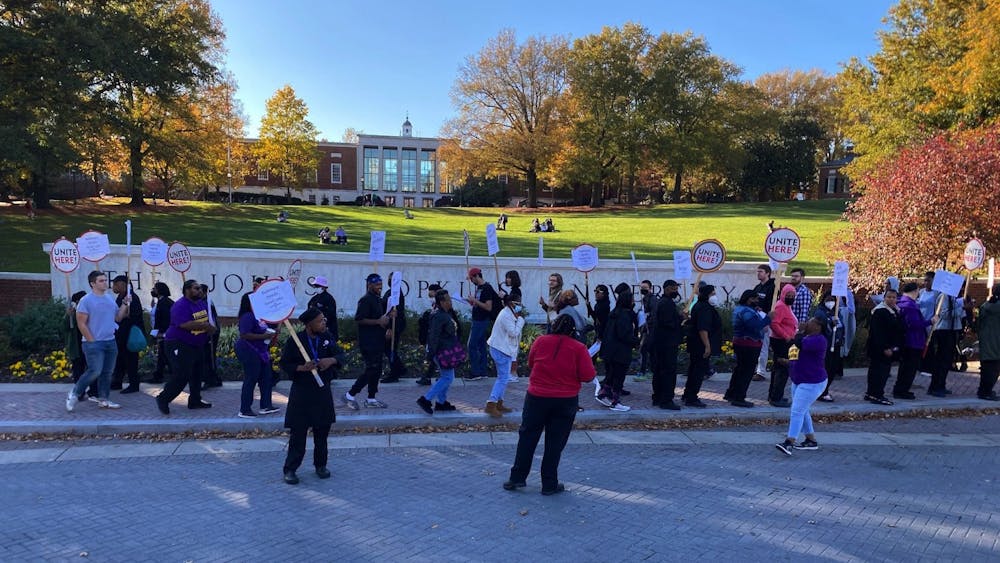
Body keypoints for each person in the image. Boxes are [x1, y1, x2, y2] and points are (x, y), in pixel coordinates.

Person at [503, 314, 596, 496]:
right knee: (555, 443)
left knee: (527, 437)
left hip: (537, 396)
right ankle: (549, 483)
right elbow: (588, 375)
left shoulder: (540, 341)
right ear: (573, 331)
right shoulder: (579, 348)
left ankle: (517, 477)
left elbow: (531, 363)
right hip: (565, 399)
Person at [279, 307, 345, 485]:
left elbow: (341, 355)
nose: (324, 322)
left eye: (324, 319)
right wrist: (301, 367)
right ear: (309, 325)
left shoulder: (327, 338)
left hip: (322, 391)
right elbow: (284, 363)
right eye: (320, 321)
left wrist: (330, 360)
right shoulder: (296, 340)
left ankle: (320, 465)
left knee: (322, 431)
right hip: (302, 392)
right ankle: (291, 469)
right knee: (298, 433)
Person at [66, 271, 131, 412]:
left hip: (110, 341)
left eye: (105, 280)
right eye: (101, 281)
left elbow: (118, 318)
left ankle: (104, 399)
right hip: (93, 343)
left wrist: (125, 304)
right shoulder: (86, 300)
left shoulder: (108, 299)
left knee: (107, 373)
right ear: (92, 283)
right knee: (94, 371)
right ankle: (74, 394)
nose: (105, 283)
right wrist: (91, 341)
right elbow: (81, 323)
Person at [155, 279, 215, 414]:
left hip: (197, 344)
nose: (200, 291)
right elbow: (183, 324)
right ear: (187, 290)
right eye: (196, 288)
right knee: (182, 374)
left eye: (200, 288)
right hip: (178, 343)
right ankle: (163, 398)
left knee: (197, 374)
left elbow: (206, 321)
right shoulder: (180, 305)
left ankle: (195, 400)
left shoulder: (201, 304)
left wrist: (210, 328)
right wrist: (205, 326)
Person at [775, 316, 828, 456]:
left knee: (797, 412)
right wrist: (788, 362)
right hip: (799, 380)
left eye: (811, 322)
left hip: (812, 382)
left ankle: (789, 442)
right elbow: (798, 353)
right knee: (802, 411)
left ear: (818, 327)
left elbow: (798, 343)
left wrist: (800, 330)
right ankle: (811, 440)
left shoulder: (819, 340)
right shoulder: (806, 338)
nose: (807, 323)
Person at [345, 273, 392, 409]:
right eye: (377, 285)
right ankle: (351, 394)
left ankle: (371, 398)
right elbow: (359, 319)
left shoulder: (377, 299)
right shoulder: (365, 300)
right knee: (371, 369)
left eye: (381, 285)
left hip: (377, 340)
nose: (380, 287)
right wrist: (378, 321)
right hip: (368, 342)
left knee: (377, 370)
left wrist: (389, 317)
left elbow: (381, 318)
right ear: (369, 285)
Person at [725, 289, 772, 408]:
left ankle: (731, 393)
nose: (757, 301)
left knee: (739, 369)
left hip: (741, 343)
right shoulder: (746, 311)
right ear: (749, 299)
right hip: (748, 344)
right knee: (746, 372)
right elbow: (755, 327)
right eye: (755, 299)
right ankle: (739, 397)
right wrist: (768, 318)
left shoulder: (742, 309)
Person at [235, 294, 279, 418]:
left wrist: (272, 333)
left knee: (266, 377)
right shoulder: (247, 316)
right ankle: (244, 409)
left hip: (261, 350)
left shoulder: (259, 316)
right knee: (251, 378)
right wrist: (264, 336)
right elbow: (244, 334)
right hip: (248, 350)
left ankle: (266, 405)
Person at [417, 290, 462, 413]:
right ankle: (426, 399)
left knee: (447, 376)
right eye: (448, 300)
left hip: (447, 351)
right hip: (442, 352)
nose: (450, 301)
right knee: (447, 378)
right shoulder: (438, 316)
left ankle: (441, 402)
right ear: (442, 302)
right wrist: (431, 355)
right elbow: (433, 336)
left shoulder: (445, 314)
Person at [596, 285, 638, 412]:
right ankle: (615, 402)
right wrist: (636, 340)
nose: (633, 302)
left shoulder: (615, 313)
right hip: (620, 351)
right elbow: (624, 335)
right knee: (618, 377)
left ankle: (603, 394)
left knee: (612, 375)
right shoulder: (624, 316)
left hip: (610, 350)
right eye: (632, 300)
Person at [485, 294, 526, 417]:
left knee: (503, 378)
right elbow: (513, 332)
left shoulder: (509, 313)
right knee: (503, 378)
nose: (520, 305)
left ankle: (498, 403)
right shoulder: (506, 315)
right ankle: (491, 404)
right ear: (511, 303)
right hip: (500, 349)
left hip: (502, 349)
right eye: (518, 303)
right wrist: (520, 321)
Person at [895, 282, 936, 400]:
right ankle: (903, 390)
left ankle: (900, 388)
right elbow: (914, 324)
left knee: (904, 367)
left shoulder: (901, 303)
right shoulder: (910, 306)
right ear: (914, 291)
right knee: (910, 368)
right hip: (913, 341)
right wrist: (930, 322)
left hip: (906, 340)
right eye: (918, 291)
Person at [683, 284, 722, 408]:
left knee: (694, 370)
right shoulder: (704, 308)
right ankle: (691, 397)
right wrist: (707, 346)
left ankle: (688, 394)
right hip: (700, 344)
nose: (714, 296)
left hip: (695, 343)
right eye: (712, 294)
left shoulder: (700, 306)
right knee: (698, 372)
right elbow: (703, 329)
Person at [865, 289, 904, 405]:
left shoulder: (894, 311)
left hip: (889, 346)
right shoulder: (880, 312)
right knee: (879, 371)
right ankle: (876, 394)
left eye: (894, 297)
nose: (891, 300)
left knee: (881, 371)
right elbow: (878, 332)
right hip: (880, 348)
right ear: (884, 298)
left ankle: (871, 393)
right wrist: (885, 348)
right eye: (889, 297)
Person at [652, 280, 684, 410]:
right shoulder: (666, 304)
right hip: (667, 343)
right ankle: (666, 399)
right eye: (673, 289)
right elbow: (668, 323)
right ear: (666, 289)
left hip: (662, 342)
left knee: (660, 370)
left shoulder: (664, 302)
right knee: (668, 371)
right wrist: (681, 319)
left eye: (676, 289)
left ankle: (658, 397)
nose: (675, 291)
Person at [110, 275, 144, 393]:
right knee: (119, 359)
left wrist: (124, 314)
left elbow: (134, 315)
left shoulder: (132, 297)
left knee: (131, 360)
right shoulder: (120, 297)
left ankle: (134, 384)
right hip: (120, 335)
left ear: (123, 285)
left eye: (115, 284)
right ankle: (117, 381)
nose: (113, 286)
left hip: (129, 335)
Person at [928, 289, 964, 397]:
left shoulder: (953, 297)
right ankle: (935, 386)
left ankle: (941, 384)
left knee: (947, 360)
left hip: (951, 330)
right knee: (941, 360)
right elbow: (943, 314)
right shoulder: (943, 296)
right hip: (943, 331)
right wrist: (960, 309)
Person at [464, 267, 498, 381]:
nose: (471, 281)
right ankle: (483, 371)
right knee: (481, 345)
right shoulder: (479, 287)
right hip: (477, 318)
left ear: (476, 276)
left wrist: (475, 300)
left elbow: (488, 307)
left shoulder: (487, 288)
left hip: (481, 320)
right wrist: (472, 302)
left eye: (471, 278)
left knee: (471, 345)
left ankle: (475, 371)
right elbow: (479, 304)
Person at [768, 285, 799, 407]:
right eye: (788, 295)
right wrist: (786, 335)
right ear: (783, 294)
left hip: (784, 340)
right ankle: (776, 397)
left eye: (792, 296)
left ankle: (775, 395)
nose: (790, 297)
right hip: (782, 341)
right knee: (783, 369)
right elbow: (774, 323)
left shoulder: (786, 306)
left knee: (778, 369)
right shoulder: (781, 306)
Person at [65, 290, 97, 402]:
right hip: (78, 347)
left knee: (92, 369)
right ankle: (80, 392)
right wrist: (68, 316)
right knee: (78, 370)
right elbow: (66, 328)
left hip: (90, 344)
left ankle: (94, 391)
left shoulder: (92, 312)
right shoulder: (73, 315)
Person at [812, 291, 843, 402]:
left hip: (836, 344)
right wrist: (830, 324)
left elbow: (841, 326)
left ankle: (825, 389)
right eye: (828, 300)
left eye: (833, 300)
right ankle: (821, 392)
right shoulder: (820, 313)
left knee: (833, 369)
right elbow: (821, 327)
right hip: (825, 345)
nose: (831, 302)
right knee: (825, 368)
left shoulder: (837, 312)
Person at [380, 272, 408, 383]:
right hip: (388, 324)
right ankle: (399, 369)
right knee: (388, 349)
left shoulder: (397, 294)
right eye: (389, 279)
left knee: (390, 349)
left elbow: (396, 312)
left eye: (392, 280)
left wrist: (391, 328)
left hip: (395, 325)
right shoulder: (389, 292)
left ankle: (395, 372)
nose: (390, 282)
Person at [753, 265, 776, 381]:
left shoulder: (772, 288)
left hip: (766, 322)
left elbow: (773, 307)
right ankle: (754, 368)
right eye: (758, 272)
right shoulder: (757, 288)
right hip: (755, 321)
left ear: (767, 273)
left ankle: (761, 372)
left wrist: (767, 321)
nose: (758, 274)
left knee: (763, 347)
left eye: (761, 272)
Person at [977, 286, 1000, 401]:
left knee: (986, 367)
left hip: (985, 340)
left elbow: (978, 323)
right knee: (994, 369)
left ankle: (983, 390)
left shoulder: (985, 306)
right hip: (996, 341)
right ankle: (987, 391)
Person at [199, 283, 223, 389]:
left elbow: (211, 319)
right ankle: (213, 378)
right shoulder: (203, 302)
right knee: (206, 356)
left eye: (199, 291)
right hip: (205, 332)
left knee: (209, 356)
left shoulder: (208, 303)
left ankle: (212, 379)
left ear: (204, 292)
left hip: (211, 333)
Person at [149, 282, 173, 384]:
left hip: (165, 334)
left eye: (154, 289)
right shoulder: (162, 301)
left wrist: (161, 333)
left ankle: (161, 376)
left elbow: (165, 319)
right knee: (163, 356)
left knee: (165, 355)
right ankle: (159, 375)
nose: (153, 291)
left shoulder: (164, 303)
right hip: (164, 333)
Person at [307, 276, 338, 342]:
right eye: (315, 286)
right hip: (314, 330)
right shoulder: (314, 298)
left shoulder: (329, 298)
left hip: (326, 329)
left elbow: (330, 314)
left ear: (323, 287)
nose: (315, 287)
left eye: (317, 286)